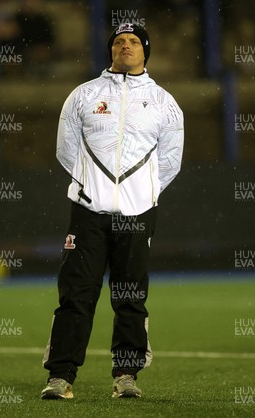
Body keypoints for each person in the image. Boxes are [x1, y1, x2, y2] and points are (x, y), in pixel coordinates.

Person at [41, 23, 184, 399]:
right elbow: (65, 149)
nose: (126, 46)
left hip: (138, 216)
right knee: (76, 293)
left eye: (134, 42)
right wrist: (94, 188)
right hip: (88, 212)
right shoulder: (83, 95)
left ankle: (126, 376)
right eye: (119, 42)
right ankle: (61, 376)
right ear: (110, 51)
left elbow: (170, 161)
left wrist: (141, 193)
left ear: (145, 51)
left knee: (130, 296)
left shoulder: (165, 103)